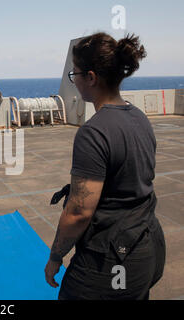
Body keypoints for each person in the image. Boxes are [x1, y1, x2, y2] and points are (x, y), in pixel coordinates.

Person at [44, 32, 166, 300]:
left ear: (91, 77)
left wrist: (55, 256)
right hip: (146, 249)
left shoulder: (94, 133)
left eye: (75, 74)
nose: (74, 81)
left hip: (110, 262)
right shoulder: (140, 118)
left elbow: (78, 212)